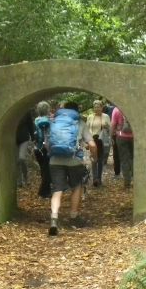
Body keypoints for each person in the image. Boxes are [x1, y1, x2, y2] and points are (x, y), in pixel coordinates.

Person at [47, 101, 94, 236]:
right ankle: (73, 217)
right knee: (77, 186)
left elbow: (47, 143)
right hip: (74, 161)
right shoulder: (80, 123)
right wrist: (93, 156)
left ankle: (54, 218)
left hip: (55, 161)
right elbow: (92, 144)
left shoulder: (55, 122)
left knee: (57, 189)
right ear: (76, 111)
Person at [88, 100, 111, 187]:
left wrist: (106, 127)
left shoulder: (106, 116)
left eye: (98, 107)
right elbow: (87, 129)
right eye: (95, 107)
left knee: (100, 159)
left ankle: (99, 178)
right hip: (92, 140)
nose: (96, 109)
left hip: (101, 140)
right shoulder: (90, 117)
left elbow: (110, 129)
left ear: (102, 107)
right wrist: (87, 141)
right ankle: (95, 179)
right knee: (94, 159)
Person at [33, 101, 53, 198]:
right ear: (47, 109)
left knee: (43, 169)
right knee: (48, 169)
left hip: (37, 148)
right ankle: (43, 191)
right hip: (46, 148)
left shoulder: (36, 120)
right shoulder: (49, 121)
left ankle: (47, 190)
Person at [111, 106, 133, 189]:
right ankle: (135, 178)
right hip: (134, 137)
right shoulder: (133, 108)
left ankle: (127, 182)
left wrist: (111, 136)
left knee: (124, 159)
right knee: (133, 158)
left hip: (121, 136)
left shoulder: (116, 109)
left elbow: (113, 124)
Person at [103, 101, 120, 176]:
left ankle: (117, 171)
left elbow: (113, 123)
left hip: (113, 131)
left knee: (114, 150)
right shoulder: (116, 108)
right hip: (118, 131)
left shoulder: (112, 109)